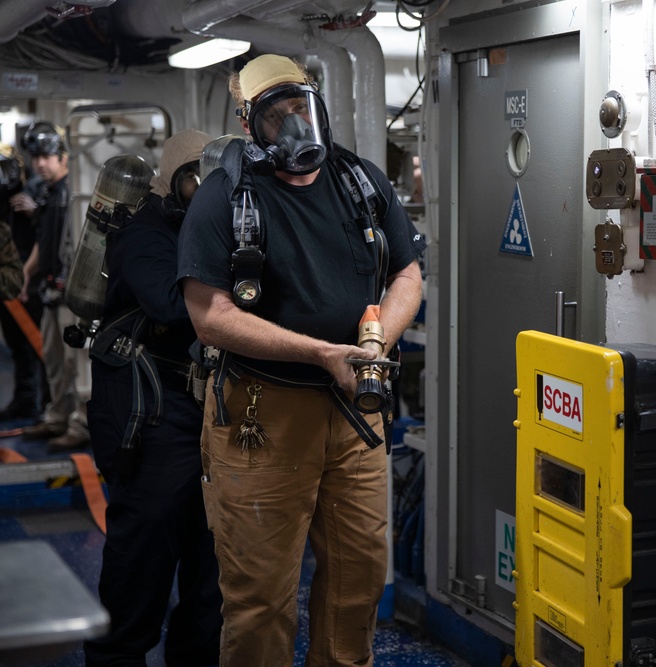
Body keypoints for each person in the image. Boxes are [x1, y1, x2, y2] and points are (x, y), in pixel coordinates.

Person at [178, 54, 426, 667]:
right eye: (275, 114)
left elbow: (407, 274)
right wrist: (320, 353)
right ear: (248, 122)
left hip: (355, 411)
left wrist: (374, 346)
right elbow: (210, 315)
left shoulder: (360, 181)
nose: (292, 125)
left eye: (300, 108)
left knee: (358, 578)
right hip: (263, 415)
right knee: (261, 595)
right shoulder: (224, 198)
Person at [83, 130, 223, 666]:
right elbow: (171, 305)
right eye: (197, 181)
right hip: (152, 414)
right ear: (175, 181)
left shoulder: (222, 230)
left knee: (211, 566)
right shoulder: (143, 233)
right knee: (140, 560)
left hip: (209, 413)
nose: (210, 194)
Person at [18, 122, 90, 449]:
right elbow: (43, 243)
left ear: (63, 157)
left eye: (46, 156)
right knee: (54, 362)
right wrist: (26, 273)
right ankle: (57, 417)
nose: (40, 164)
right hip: (48, 292)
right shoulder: (45, 193)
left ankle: (80, 424)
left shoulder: (75, 194)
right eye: (36, 158)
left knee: (77, 365)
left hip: (71, 297)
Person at [0, 149, 49, 422]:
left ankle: (48, 403)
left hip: (30, 282)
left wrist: (34, 211)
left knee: (39, 346)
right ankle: (25, 399)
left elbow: (45, 238)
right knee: (17, 345)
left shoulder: (34, 194)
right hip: (8, 283)